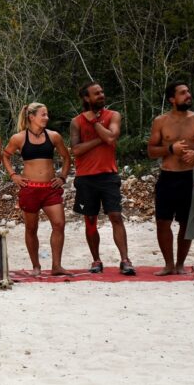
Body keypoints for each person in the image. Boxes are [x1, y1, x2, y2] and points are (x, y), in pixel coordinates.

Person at [147, 81, 194, 276]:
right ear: (172, 99)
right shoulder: (160, 121)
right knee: (163, 222)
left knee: (186, 222)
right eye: (183, 93)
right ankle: (168, 265)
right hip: (167, 177)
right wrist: (170, 149)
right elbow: (151, 151)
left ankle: (180, 264)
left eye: (188, 91)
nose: (188, 95)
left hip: (189, 178)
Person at [70, 82, 134, 275]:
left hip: (108, 175)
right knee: (90, 219)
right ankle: (96, 260)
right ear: (86, 98)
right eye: (96, 93)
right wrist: (101, 139)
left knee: (116, 215)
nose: (101, 95)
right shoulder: (76, 122)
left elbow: (112, 137)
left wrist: (95, 123)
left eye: (102, 92)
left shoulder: (113, 115)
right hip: (85, 177)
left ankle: (125, 260)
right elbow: (76, 150)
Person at [2, 102, 72, 276]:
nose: (46, 118)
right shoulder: (19, 138)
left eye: (47, 114)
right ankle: (36, 266)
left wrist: (62, 177)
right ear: (31, 117)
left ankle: (56, 266)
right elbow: (5, 156)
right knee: (31, 228)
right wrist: (13, 175)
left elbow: (66, 157)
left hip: (50, 188)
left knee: (59, 224)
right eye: (43, 115)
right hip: (30, 189)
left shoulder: (54, 136)